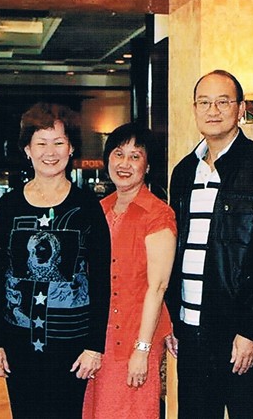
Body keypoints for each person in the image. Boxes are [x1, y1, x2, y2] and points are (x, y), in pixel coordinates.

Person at [165, 70, 253, 419]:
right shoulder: (184, 171)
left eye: (223, 101)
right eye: (204, 102)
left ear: (241, 109)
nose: (213, 110)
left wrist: (250, 331)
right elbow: (176, 249)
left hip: (237, 332)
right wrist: (173, 320)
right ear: (194, 108)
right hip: (190, 329)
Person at [0, 102, 111, 419]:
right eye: (41, 143)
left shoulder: (87, 206)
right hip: (18, 342)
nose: (50, 152)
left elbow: (100, 279)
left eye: (58, 142)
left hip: (72, 344)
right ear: (27, 149)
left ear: (71, 148)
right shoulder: (8, 205)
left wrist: (95, 346)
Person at [82, 123, 177, 419]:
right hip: (99, 338)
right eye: (118, 154)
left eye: (135, 156)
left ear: (147, 166)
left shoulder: (158, 214)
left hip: (134, 339)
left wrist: (143, 349)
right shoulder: (100, 209)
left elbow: (158, 287)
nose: (125, 163)